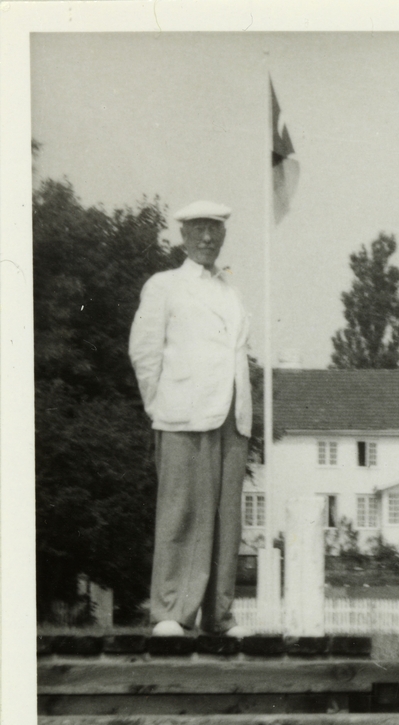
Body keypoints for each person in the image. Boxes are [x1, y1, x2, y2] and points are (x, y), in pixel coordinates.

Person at [129, 200, 251, 636]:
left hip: (232, 419)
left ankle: (219, 616)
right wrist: (160, 406)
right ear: (182, 236)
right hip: (183, 415)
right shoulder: (164, 286)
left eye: (214, 230)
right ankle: (170, 613)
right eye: (198, 230)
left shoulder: (230, 290)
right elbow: (144, 352)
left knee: (224, 519)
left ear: (223, 236)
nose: (207, 238)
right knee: (181, 515)